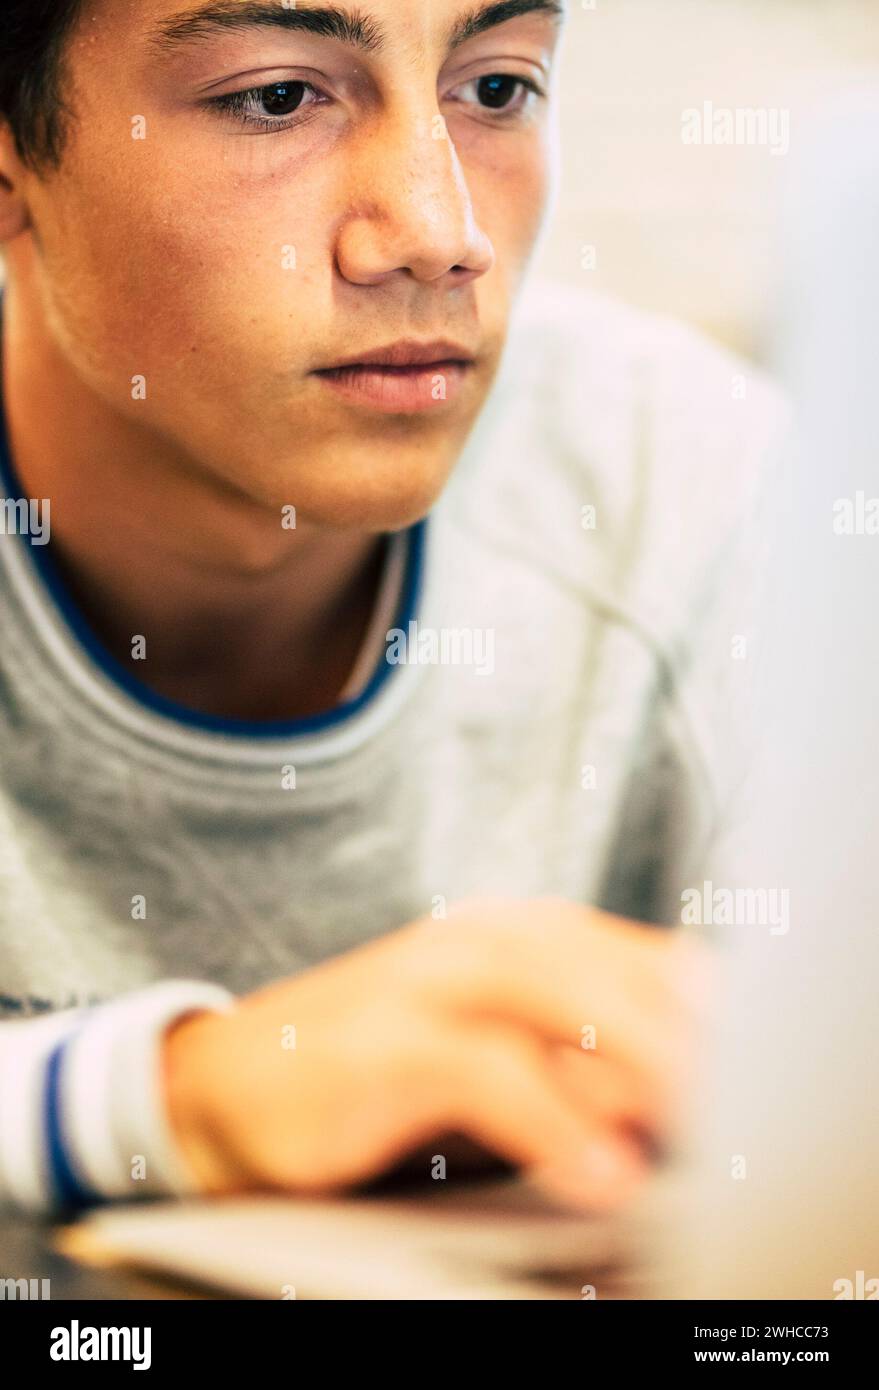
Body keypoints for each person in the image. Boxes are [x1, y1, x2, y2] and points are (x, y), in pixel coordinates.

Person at [0, 0, 784, 1218]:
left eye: (496, 88)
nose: (438, 234)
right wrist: (181, 1100)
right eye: (276, 96)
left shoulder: (689, 480)